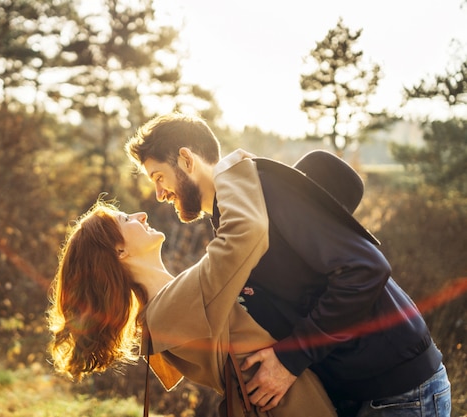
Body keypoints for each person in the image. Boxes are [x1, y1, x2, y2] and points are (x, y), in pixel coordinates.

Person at [125, 113, 452, 417]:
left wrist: (291, 358)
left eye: (159, 177)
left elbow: (366, 269)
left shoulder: (266, 189)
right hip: (357, 394)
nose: (158, 194)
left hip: (399, 392)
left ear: (186, 159)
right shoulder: (233, 221)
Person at [47, 150, 337, 417]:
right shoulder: (168, 311)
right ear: (119, 252)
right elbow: (247, 232)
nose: (141, 214)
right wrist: (231, 169)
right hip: (290, 408)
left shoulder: (165, 307)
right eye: (126, 219)